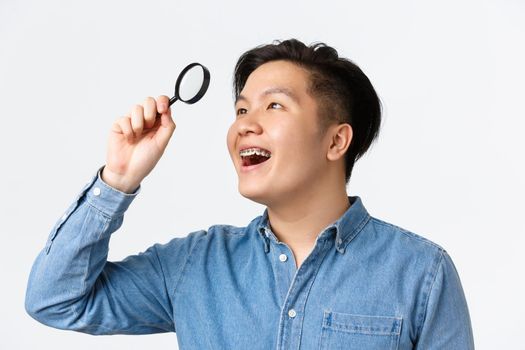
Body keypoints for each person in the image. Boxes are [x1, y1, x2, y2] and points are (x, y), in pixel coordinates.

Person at [25, 38, 475, 349]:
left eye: (274, 105)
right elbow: (56, 300)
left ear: (336, 141)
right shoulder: (193, 267)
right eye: (241, 108)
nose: (245, 123)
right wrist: (116, 179)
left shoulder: (422, 273)